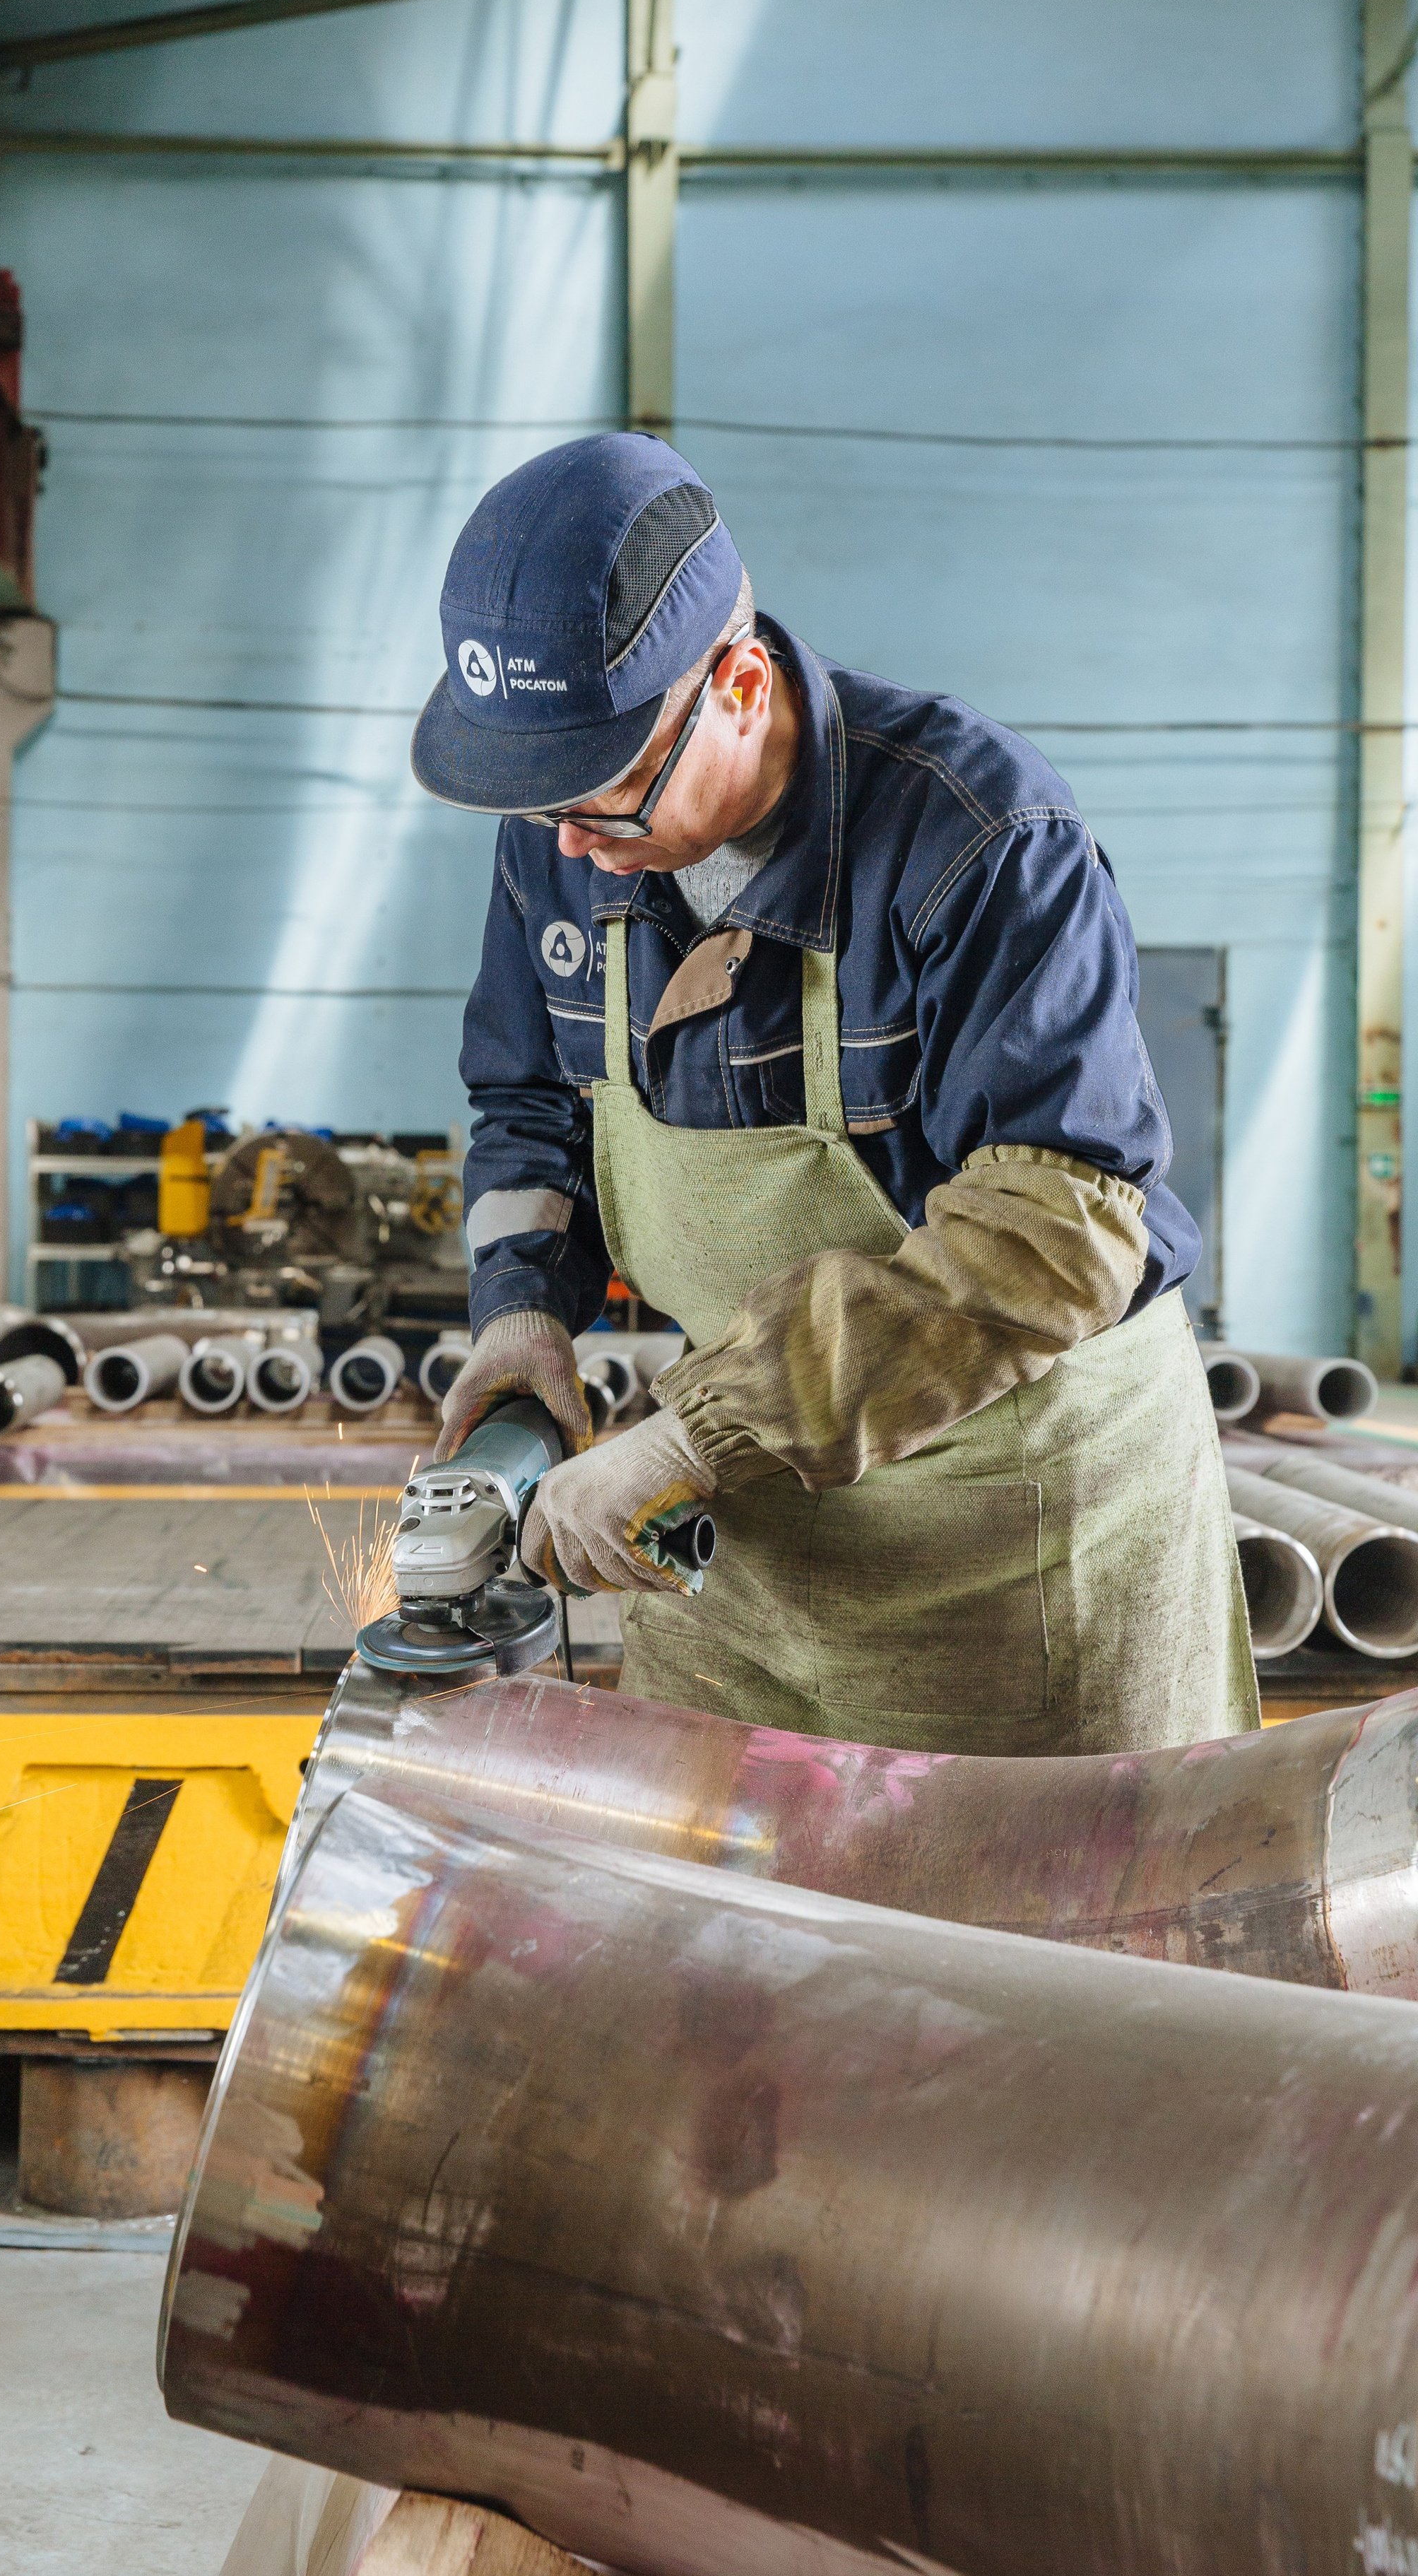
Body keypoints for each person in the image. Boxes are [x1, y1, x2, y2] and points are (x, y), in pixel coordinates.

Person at [412, 432, 1257, 1755]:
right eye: (539, 804)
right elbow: (531, 1108)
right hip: (745, 1546)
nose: (572, 842)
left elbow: (1052, 1243)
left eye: (609, 797)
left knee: (1034, 1942)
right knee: (743, 1925)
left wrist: (701, 1427)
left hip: (1015, 1536)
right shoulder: (561, 839)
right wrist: (523, 1315)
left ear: (739, 684)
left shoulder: (980, 845)